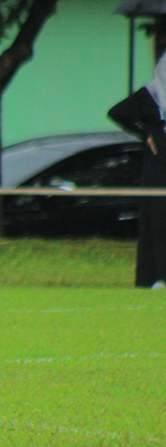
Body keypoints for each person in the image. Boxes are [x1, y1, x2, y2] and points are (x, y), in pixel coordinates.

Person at [108, 53, 166, 289]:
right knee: (159, 224)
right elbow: (117, 113)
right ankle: (157, 277)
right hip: (159, 169)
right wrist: (146, 135)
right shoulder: (152, 96)